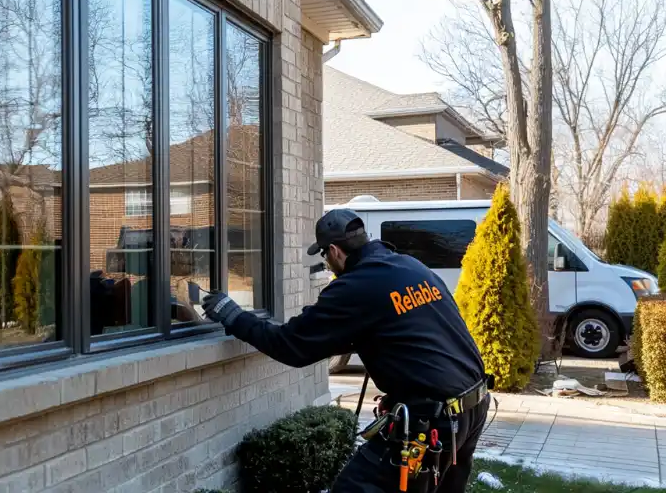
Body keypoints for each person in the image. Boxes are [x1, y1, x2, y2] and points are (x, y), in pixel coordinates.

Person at [201, 209, 490, 493]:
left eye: (324, 255)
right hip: (471, 405)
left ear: (335, 251)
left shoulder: (355, 286)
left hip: (433, 420)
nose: (326, 263)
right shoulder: (409, 266)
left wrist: (234, 316)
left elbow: (292, 345)